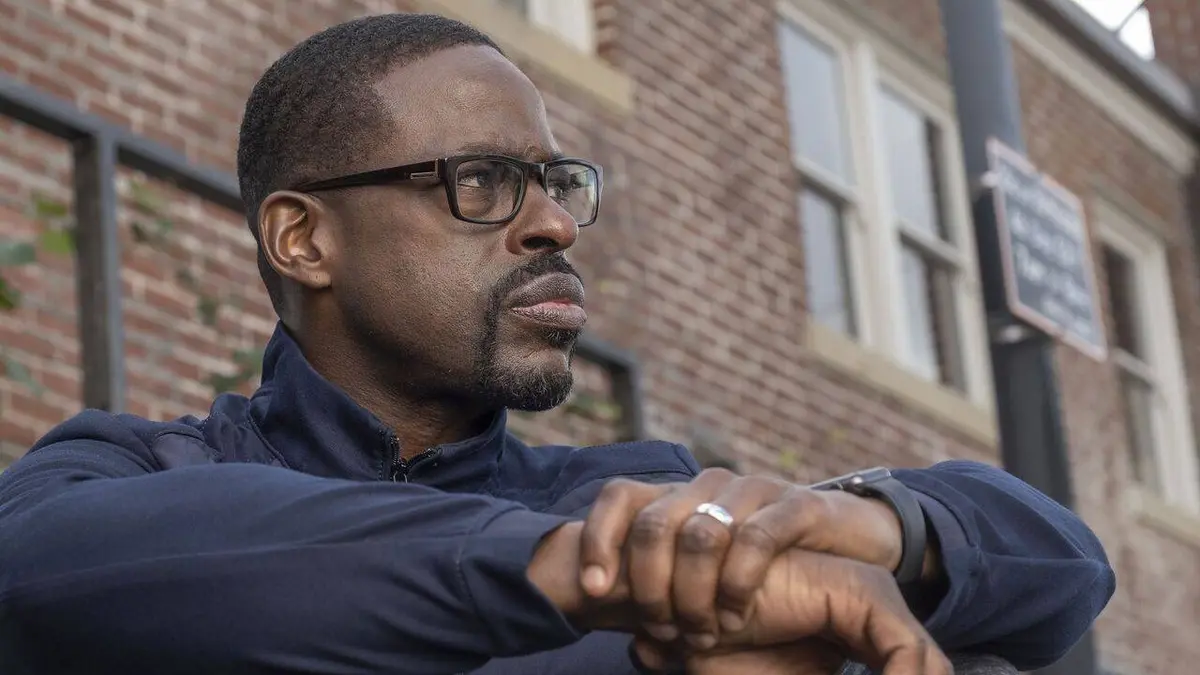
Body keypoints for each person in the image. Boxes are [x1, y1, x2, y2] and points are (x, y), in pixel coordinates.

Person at [0, 12, 1113, 675]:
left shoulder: (645, 500)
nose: (555, 225)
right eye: (483, 181)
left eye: (556, 182)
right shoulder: (137, 475)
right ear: (304, 239)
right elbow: (45, 568)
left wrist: (872, 524)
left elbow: (1061, 563)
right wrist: (579, 575)